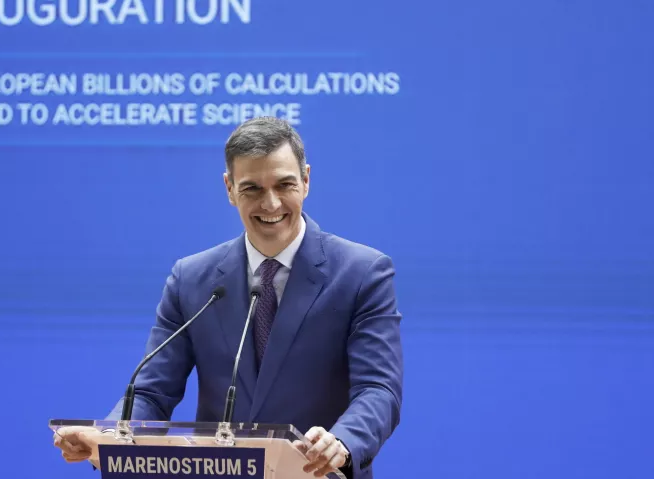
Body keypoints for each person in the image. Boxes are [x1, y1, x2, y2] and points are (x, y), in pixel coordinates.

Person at [54, 117, 403, 478]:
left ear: (306, 180)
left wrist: (342, 441)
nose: (270, 204)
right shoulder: (191, 280)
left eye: (284, 185)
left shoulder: (362, 273)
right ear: (229, 188)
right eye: (252, 189)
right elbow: (153, 393)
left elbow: (379, 389)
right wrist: (109, 435)